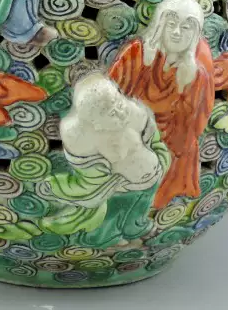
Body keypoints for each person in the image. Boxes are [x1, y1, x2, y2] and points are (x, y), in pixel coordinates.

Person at [108, 0, 215, 208]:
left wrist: (162, 144)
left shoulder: (195, 75)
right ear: (159, 25)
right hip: (128, 133)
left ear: (195, 35)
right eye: (171, 24)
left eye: (186, 28)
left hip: (170, 143)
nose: (176, 32)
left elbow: (194, 123)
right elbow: (110, 96)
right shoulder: (137, 54)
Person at [39, 74, 168, 245]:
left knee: (141, 206)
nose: (121, 113)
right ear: (97, 124)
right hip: (123, 186)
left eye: (120, 104)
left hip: (151, 177)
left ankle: (135, 227)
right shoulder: (96, 142)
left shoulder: (135, 115)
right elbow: (92, 174)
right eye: (112, 113)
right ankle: (107, 237)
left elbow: (152, 135)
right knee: (115, 211)